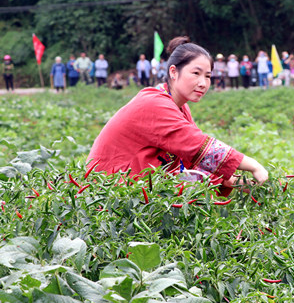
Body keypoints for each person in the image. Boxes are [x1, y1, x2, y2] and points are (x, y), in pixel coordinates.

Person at [87, 36, 269, 197]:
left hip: (133, 189)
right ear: (173, 72)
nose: (203, 83)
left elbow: (189, 159)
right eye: (196, 73)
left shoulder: (180, 106)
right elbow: (198, 146)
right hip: (106, 194)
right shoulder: (154, 103)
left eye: (207, 76)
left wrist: (230, 180)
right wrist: (252, 165)